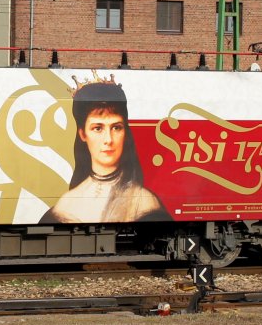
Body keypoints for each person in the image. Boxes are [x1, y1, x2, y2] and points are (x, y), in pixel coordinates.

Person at [41, 75, 169, 223]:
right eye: (98, 128)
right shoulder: (65, 206)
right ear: (82, 133)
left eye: (116, 127)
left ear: (125, 132)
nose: (108, 140)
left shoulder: (145, 202)